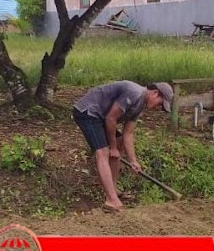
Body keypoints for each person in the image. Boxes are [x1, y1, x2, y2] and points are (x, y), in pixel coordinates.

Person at [72, 80, 174, 213]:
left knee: (119, 142)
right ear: (155, 93)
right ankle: (111, 200)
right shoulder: (134, 93)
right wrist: (112, 147)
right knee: (103, 151)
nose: (158, 107)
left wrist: (133, 161)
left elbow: (128, 133)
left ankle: (112, 189)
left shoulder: (140, 106)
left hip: (101, 116)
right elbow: (110, 118)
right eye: (160, 103)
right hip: (88, 111)